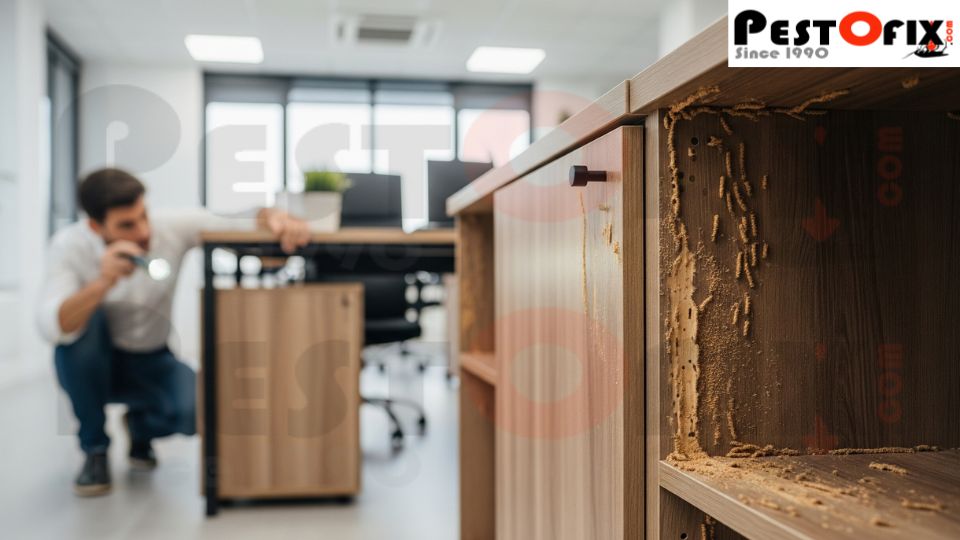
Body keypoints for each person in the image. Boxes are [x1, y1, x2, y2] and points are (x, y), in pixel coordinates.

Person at [37, 168, 310, 496]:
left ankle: (140, 428)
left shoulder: (169, 227)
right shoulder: (69, 247)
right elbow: (52, 324)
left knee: (196, 410)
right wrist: (102, 283)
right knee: (82, 327)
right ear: (95, 227)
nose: (142, 232)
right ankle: (94, 448)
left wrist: (276, 216)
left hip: (152, 358)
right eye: (126, 225)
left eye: (143, 216)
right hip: (95, 364)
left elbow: (241, 220)